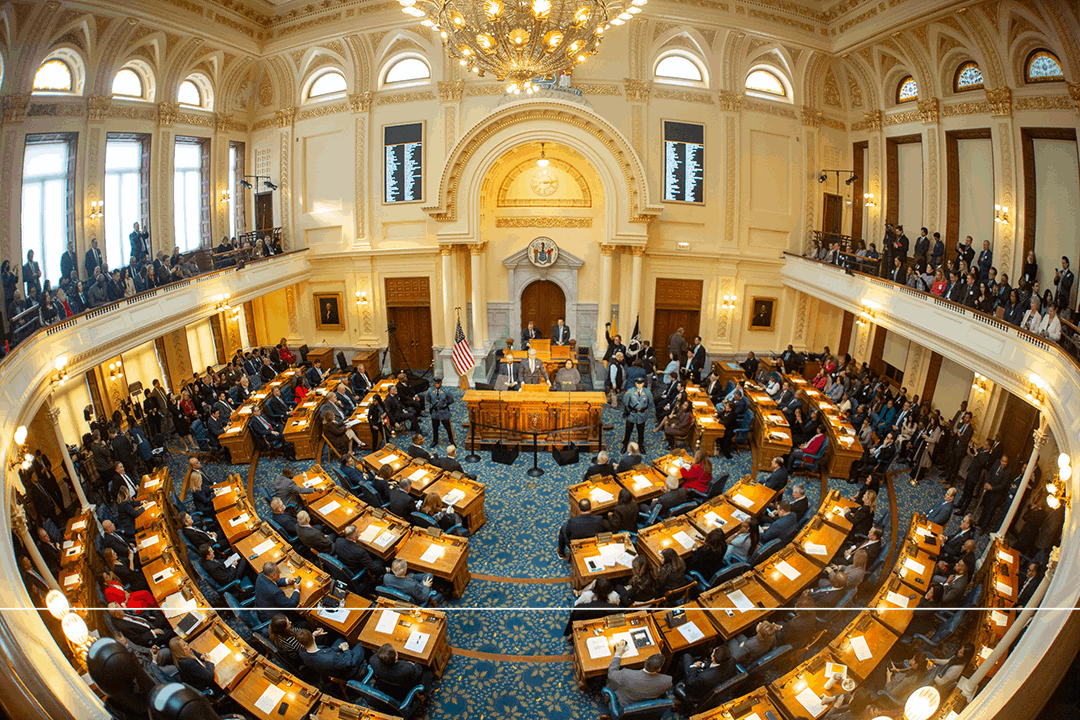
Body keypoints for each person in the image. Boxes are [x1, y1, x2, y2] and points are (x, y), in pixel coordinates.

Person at [605, 640, 672, 707]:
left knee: (612, 681)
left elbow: (611, 674)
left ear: (646, 660)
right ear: (659, 669)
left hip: (624, 705)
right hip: (646, 707)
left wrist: (618, 654)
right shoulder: (667, 681)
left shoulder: (626, 675)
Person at [369, 643, 435, 700]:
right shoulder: (407, 668)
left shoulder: (372, 661)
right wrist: (414, 663)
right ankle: (425, 693)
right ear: (396, 658)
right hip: (403, 692)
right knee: (428, 671)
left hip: (386, 686)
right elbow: (419, 669)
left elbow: (375, 656)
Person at [296, 628, 366, 680]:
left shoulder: (302, 652)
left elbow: (327, 651)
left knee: (340, 639)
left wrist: (339, 647)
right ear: (313, 638)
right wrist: (346, 650)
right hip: (347, 670)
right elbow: (348, 663)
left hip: (328, 662)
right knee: (362, 644)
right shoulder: (330, 658)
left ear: (301, 645)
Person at [621, 376, 653, 454]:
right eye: (637, 383)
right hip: (632, 414)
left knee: (641, 432)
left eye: (641, 383)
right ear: (635, 383)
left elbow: (650, 402)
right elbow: (625, 402)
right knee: (628, 431)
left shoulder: (647, 392)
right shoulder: (630, 391)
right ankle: (625, 445)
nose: (639, 385)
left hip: (642, 415)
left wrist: (643, 408)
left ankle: (641, 446)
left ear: (643, 384)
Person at [425, 377, 454, 446]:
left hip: (444, 411)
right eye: (435, 383)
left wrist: (444, 405)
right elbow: (428, 399)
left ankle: (452, 441)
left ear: (441, 383)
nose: (436, 385)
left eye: (438, 383)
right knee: (435, 428)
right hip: (435, 412)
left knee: (448, 428)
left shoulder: (446, 391)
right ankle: (435, 441)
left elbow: (451, 400)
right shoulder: (430, 390)